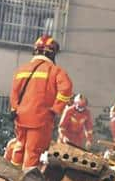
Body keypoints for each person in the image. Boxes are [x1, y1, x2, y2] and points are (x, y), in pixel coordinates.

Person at [10, 35, 74, 169]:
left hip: (21, 117)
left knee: (19, 146)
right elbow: (66, 89)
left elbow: (14, 93)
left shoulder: (22, 69)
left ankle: (11, 176)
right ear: (51, 53)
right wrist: (56, 109)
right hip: (41, 118)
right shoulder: (55, 71)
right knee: (34, 151)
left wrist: (15, 109)